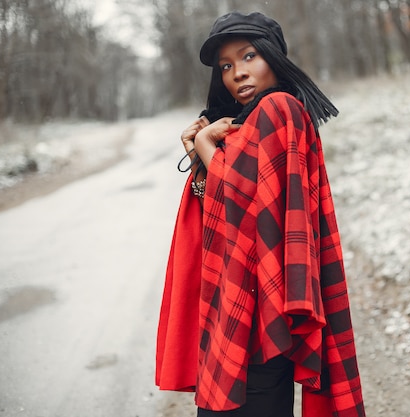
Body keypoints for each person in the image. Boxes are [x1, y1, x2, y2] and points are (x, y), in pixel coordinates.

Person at [156, 11, 366, 417]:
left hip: (257, 309)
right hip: (245, 300)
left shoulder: (279, 110)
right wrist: (200, 157)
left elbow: (238, 203)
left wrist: (204, 147)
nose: (238, 73)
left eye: (249, 56)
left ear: (274, 56)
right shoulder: (248, 123)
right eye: (227, 66)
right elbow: (224, 207)